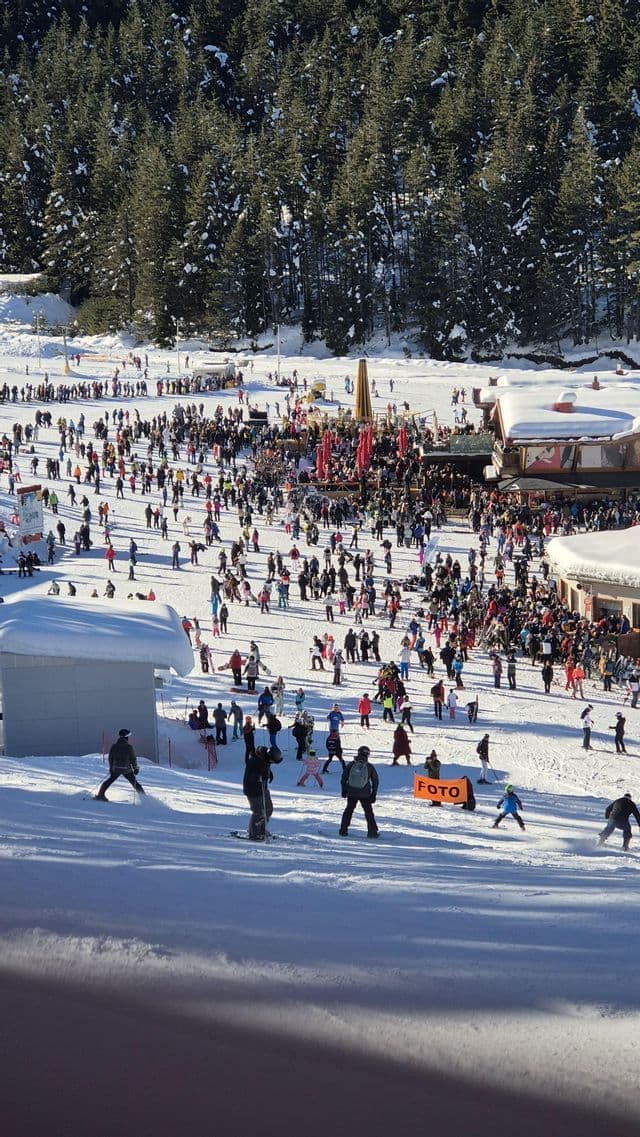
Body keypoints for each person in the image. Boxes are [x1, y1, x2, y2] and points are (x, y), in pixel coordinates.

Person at [242, 744, 283, 840]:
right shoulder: (254, 761)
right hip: (253, 790)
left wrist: (269, 773)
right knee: (258, 812)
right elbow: (251, 777)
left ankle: (261, 830)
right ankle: (255, 834)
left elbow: (265, 766)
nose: (272, 763)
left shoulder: (264, 757)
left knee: (268, 809)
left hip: (262, 788)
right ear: (269, 756)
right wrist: (259, 777)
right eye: (272, 761)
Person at [339, 745, 379, 838]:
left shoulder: (351, 765)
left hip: (351, 792)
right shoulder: (369, 766)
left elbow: (344, 778)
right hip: (365, 794)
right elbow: (375, 781)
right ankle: (372, 832)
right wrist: (373, 794)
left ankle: (343, 830)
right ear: (367, 755)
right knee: (368, 812)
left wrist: (344, 790)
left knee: (349, 810)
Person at [94, 729, 145, 801]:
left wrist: (111, 768)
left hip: (116, 768)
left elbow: (110, 758)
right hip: (126, 769)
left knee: (109, 781)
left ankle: (100, 795)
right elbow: (133, 759)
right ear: (126, 737)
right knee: (135, 783)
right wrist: (135, 768)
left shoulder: (114, 746)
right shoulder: (129, 747)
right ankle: (145, 799)